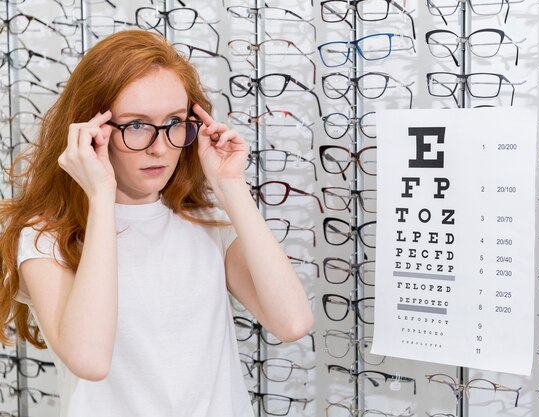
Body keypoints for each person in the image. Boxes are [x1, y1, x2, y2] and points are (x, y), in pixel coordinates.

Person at [0, 30, 313, 416]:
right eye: (136, 124)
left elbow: (292, 322)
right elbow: (90, 360)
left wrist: (231, 186)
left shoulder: (206, 221)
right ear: (91, 131)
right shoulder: (46, 236)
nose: (160, 146)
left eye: (174, 121)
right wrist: (100, 198)